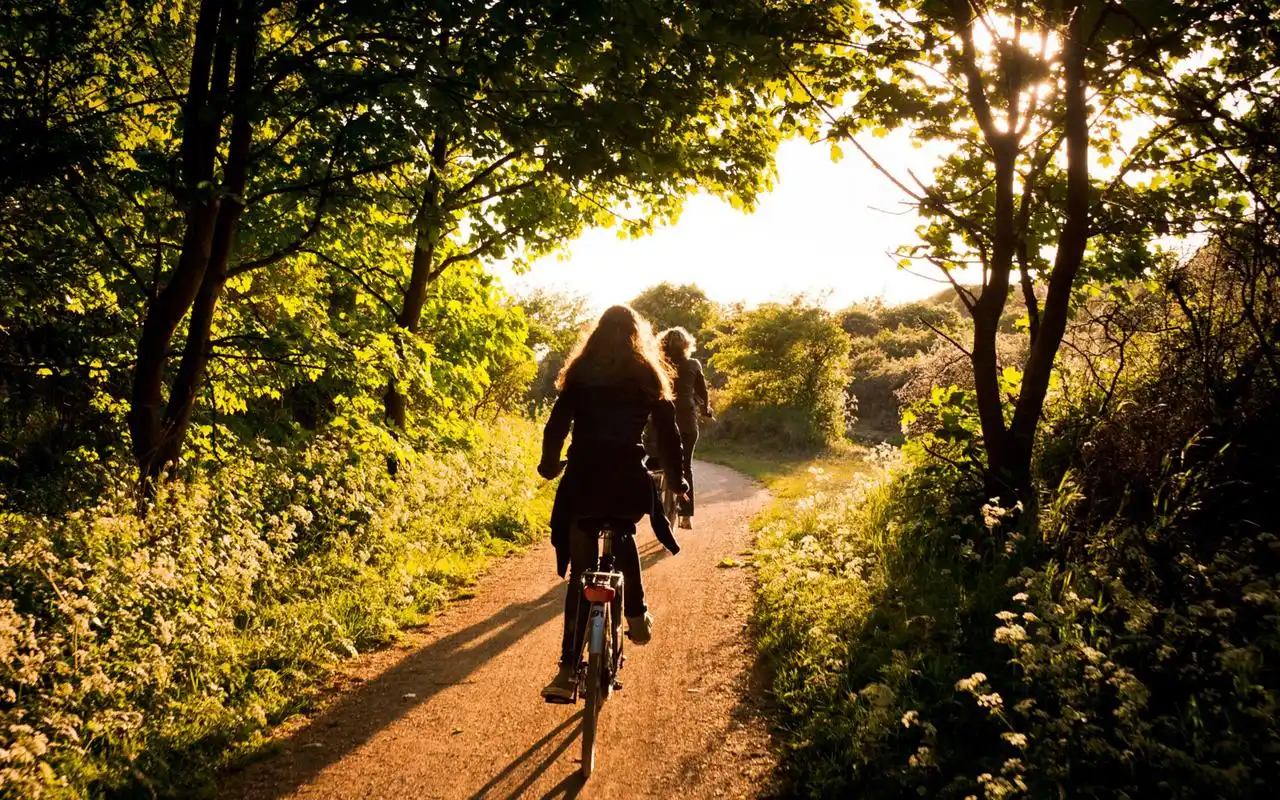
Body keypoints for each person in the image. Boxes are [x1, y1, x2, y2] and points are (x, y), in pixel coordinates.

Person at [537, 305, 686, 702]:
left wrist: (549, 466)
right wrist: (677, 478)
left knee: (581, 572)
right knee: (623, 530)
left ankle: (568, 670)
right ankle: (635, 615)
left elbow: (556, 427)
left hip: (584, 478)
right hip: (627, 480)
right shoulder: (647, 375)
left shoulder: (581, 375)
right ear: (638, 336)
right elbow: (669, 435)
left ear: (597, 334)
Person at [658, 327, 711, 530]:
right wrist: (706, 409)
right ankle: (686, 516)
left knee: (656, 462)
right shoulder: (693, 364)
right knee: (685, 467)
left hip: (661, 425)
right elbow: (703, 392)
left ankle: (655, 496)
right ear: (687, 345)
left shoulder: (658, 365)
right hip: (686, 423)